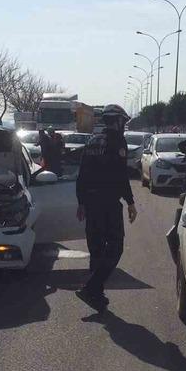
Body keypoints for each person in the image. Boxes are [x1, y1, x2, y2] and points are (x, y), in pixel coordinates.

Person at [75, 104, 138, 312]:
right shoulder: (118, 142)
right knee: (115, 247)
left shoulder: (92, 141)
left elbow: (82, 174)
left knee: (97, 250)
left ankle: (96, 294)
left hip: (92, 203)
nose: (123, 126)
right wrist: (130, 202)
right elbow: (121, 176)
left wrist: (81, 202)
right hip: (108, 203)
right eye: (123, 122)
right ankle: (91, 287)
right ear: (117, 121)